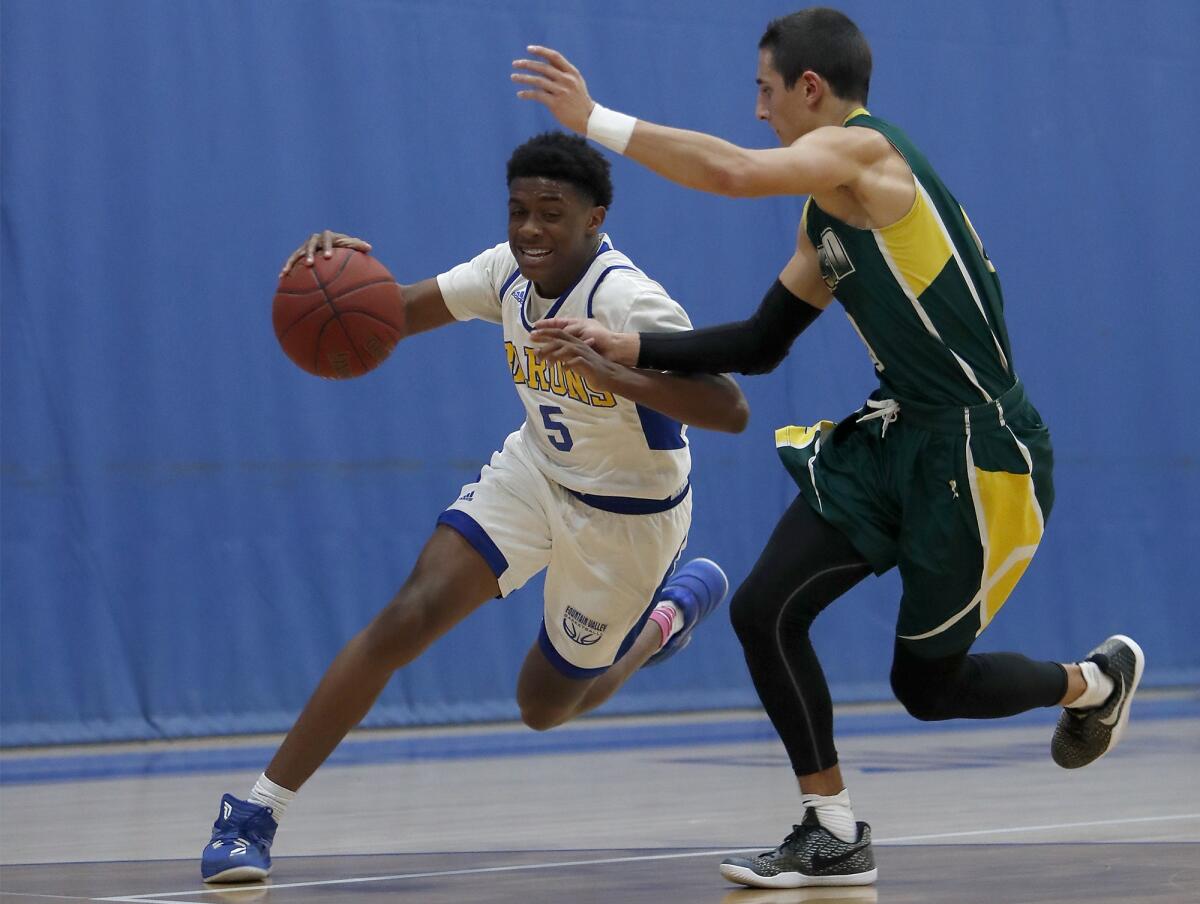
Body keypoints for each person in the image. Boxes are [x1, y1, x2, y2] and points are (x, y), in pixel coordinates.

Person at [513, 8, 1144, 890]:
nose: (760, 114)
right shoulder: (829, 217)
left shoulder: (867, 156)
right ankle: (831, 827)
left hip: (975, 449)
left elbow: (733, 174)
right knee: (763, 607)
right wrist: (634, 348)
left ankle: (1092, 682)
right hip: (898, 437)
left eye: (766, 93)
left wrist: (594, 120)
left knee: (925, 687)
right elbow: (765, 342)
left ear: (811, 88)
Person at [200, 131, 749, 883]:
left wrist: (618, 370)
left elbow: (730, 408)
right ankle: (255, 814)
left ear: (596, 218)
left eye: (550, 213)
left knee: (545, 706)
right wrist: (331, 274)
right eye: (518, 209)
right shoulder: (507, 275)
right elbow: (387, 314)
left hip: (628, 521)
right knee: (407, 615)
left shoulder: (631, 301)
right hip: (535, 473)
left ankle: (660, 625)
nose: (529, 229)